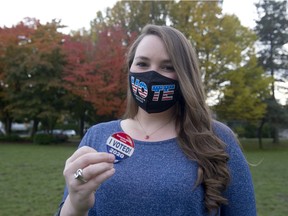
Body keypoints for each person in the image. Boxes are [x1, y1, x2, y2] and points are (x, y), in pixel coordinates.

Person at [56, 24, 256, 216]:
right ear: (130, 68)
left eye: (168, 67)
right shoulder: (97, 135)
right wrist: (76, 203)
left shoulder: (218, 139)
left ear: (185, 75)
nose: (152, 75)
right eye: (142, 63)